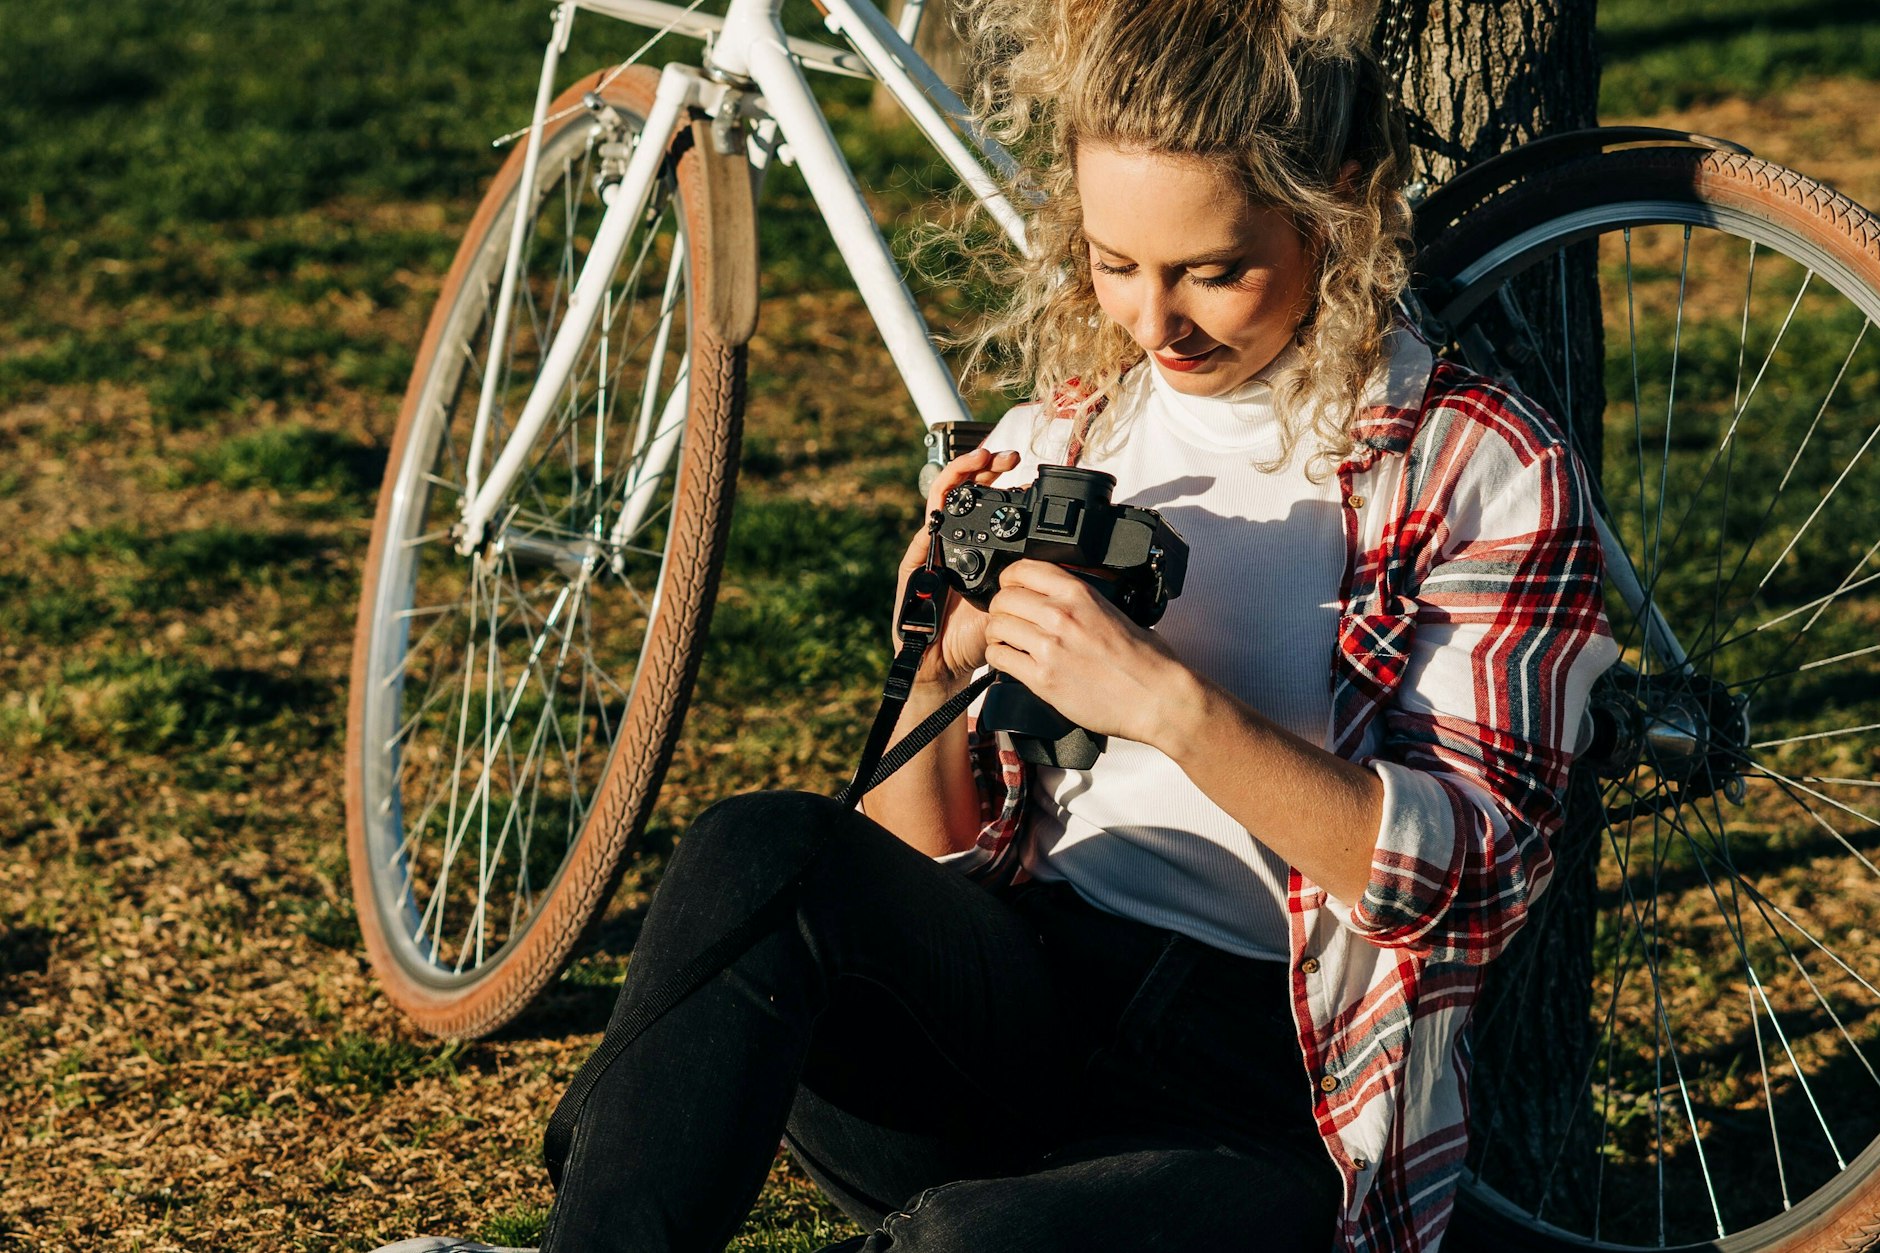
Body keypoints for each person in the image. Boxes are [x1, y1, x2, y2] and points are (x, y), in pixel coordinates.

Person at [378, 0, 1618, 1250]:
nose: (1153, 322)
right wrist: (941, 667)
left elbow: (1474, 877)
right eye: (1113, 261)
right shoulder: (1064, 436)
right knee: (764, 850)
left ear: (1338, 204)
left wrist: (1167, 708)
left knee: (971, 1245)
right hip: (1019, 998)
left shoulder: (1474, 465)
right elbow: (921, 858)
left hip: (1265, 1093)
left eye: (1211, 270)